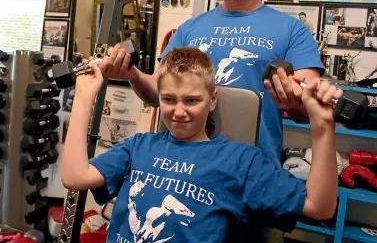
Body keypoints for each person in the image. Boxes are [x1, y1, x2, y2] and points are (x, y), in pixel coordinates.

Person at [100, 0, 324, 242]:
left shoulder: (291, 31)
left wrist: (296, 102)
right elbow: (157, 94)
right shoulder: (190, 29)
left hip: (251, 182)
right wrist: (133, 75)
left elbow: (311, 105)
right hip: (186, 180)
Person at [62, 47, 340, 242]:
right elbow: (75, 176)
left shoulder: (240, 161)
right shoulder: (138, 146)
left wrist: (323, 127)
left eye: (192, 100)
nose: (179, 111)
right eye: (169, 99)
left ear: (213, 100)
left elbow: (319, 206)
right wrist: (84, 96)